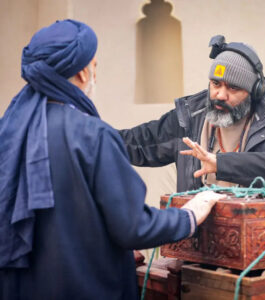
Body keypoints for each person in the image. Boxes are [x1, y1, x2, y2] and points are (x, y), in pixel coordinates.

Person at [0, 20, 224, 300]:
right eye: (95, 66)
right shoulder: (93, 135)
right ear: (83, 73)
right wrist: (190, 215)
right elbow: (134, 226)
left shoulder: (8, 130)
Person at [119, 35, 265, 194]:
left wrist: (221, 164)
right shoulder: (190, 115)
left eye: (233, 88)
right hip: (200, 236)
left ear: (254, 91)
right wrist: (94, 136)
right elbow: (140, 143)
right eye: (216, 84)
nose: (220, 95)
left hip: (264, 235)